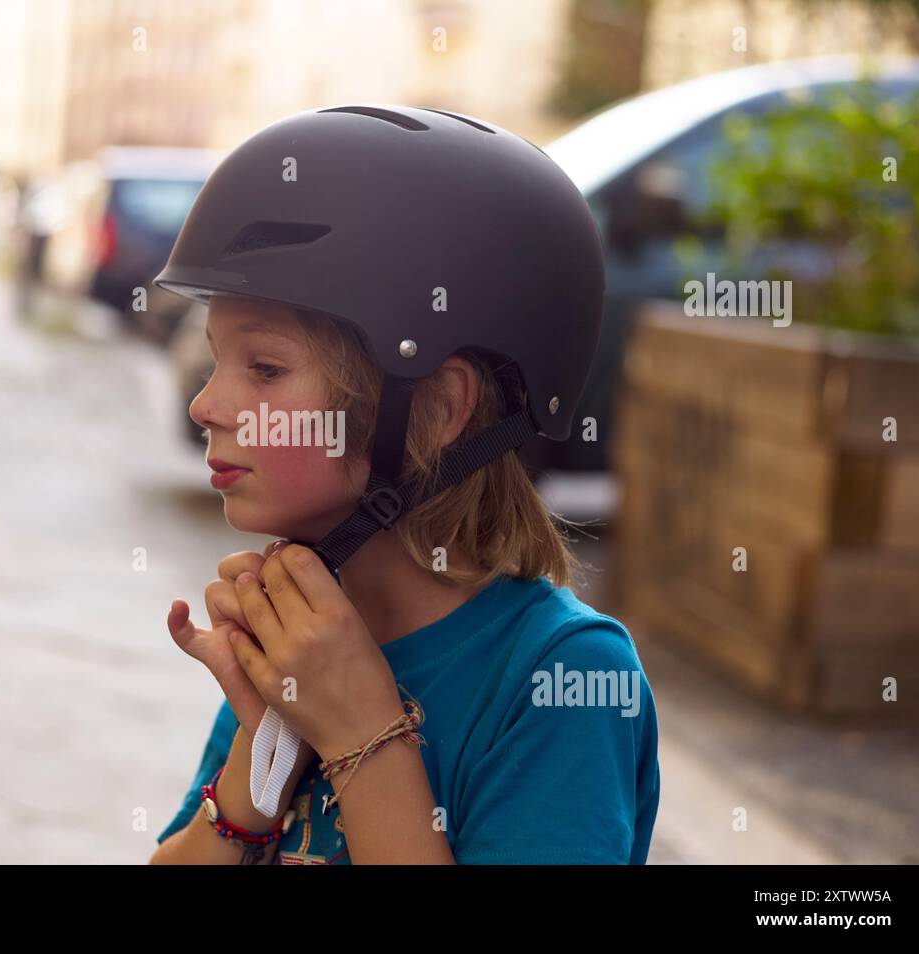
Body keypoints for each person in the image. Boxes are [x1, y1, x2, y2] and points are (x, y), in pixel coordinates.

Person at [148, 105, 659, 865]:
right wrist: (259, 759)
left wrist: (359, 732)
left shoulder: (562, 680)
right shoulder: (301, 626)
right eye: (218, 362)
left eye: (264, 368)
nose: (206, 406)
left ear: (442, 407)